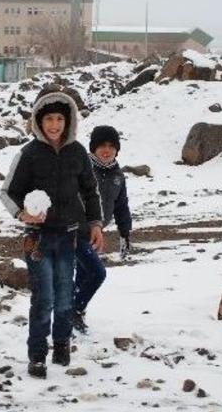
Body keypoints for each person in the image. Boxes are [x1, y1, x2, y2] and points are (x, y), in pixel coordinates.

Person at [0, 91, 104, 379]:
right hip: (38, 239)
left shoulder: (78, 152)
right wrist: (22, 214)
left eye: (60, 118)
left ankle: (61, 345)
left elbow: (90, 190)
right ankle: (37, 356)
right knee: (44, 297)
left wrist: (95, 224)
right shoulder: (29, 154)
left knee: (65, 296)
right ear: (39, 120)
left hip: (69, 236)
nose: (55, 124)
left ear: (68, 120)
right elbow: (8, 192)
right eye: (49, 119)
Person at [72, 125, 132, 334]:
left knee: (82, 274)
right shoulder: (82, 168)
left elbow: (121, 206)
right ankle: (73, 311)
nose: (106, 150)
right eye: (101, 146)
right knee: (97, 273)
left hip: (95, 232)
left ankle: (71, 314)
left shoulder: (118, 176)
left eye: (111, 146)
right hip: (77, 230)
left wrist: (125, 233)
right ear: (93, 149)